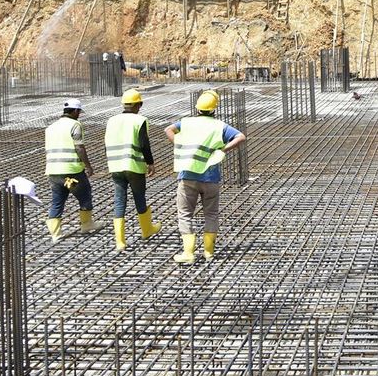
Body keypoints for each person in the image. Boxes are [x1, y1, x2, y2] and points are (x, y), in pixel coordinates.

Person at [166, 89, 246, 264]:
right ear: (214, 109)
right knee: (211, 214)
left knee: (185, 213)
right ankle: (209, 251)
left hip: (188, 176)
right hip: (211, 178)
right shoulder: (219, 126)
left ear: (197, 108)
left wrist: (179, 145)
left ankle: (188, 253)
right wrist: (223, 149)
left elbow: (169, 130)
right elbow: (241, 137)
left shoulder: (186, 123)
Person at [104, 88, 161, 251]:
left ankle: (120, 241)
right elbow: (144, 143)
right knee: (139, 197)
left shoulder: (111, 120)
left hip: (115, 166)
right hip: (134, 166)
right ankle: (146, 230)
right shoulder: (140, 120)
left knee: (119, 200)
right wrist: (150, 162)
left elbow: (106, 143)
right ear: (139, 105)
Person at [44, 98, 106, 241]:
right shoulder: (75, 125)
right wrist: (88, 166)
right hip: (71, 170)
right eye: (79, 112)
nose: (79, 115)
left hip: (53, 171)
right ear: (76, 111)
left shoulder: (51, 127)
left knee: (57, 200)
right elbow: (79, 147)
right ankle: (87, 224)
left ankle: (55, 234)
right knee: (84, 194)